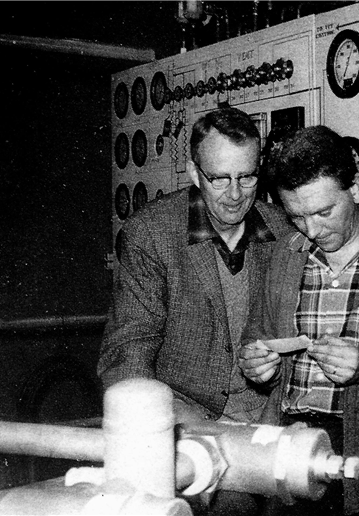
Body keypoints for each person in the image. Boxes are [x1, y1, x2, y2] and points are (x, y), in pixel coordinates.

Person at [98, 107, 293, 514]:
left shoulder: (284, 231)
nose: (235, 194)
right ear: (193, 172)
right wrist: (195, 431)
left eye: (247, 177)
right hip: (186, 422)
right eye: (219, 178)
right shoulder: (149, 235)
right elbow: (127, 359)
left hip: (272, 420)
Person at [239, 125, 359, 516]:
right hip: (291, 450)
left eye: (323, 212)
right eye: (296, 216)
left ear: (356, 187)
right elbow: (256, 337)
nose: (312, 230)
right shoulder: (285, 255)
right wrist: (256, 365)